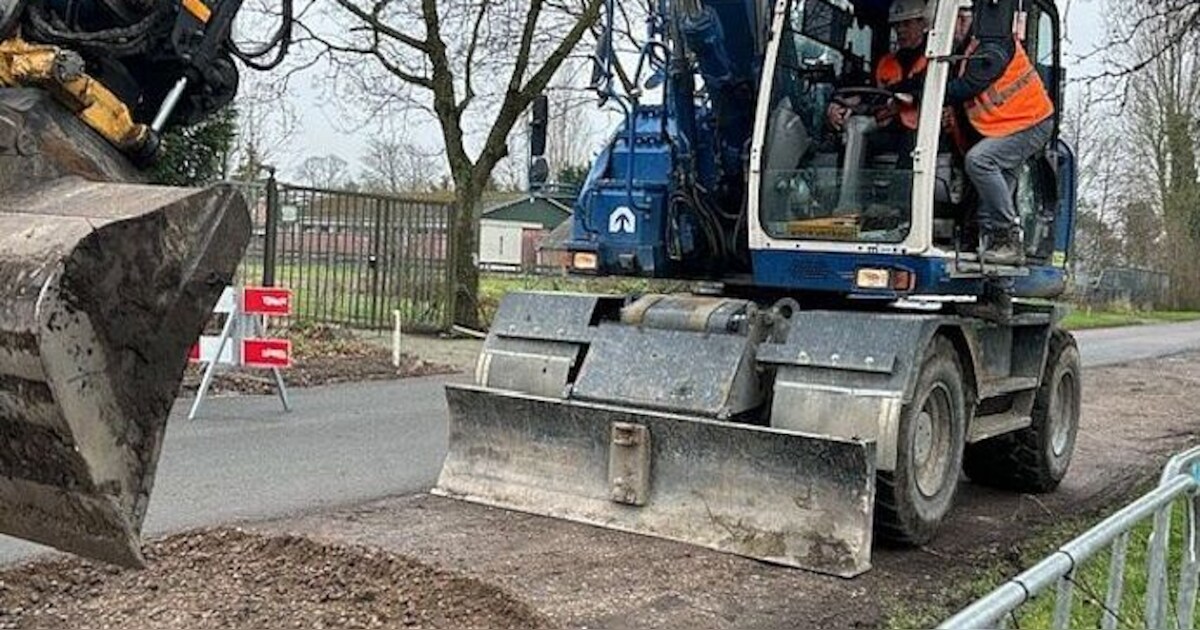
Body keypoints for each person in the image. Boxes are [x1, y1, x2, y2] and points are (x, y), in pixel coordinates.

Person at [945, 0, 1055, 266]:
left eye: (961, 17)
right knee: (989, 207)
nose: (956, 25)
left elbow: (966, 87)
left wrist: (922, 95)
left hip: (1030, 121)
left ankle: (1008, 236)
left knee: (980, 161)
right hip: (1009, 124)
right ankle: (996, 297)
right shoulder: (970, 50)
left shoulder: (993, 47)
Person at [827, 0, 930, 134]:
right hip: (884, 129)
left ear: (922, 24)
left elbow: (917, 89)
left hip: (922, 134)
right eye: (896, 25)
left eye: (906, 24)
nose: (900, 30)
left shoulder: (934, 59)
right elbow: (870, 92)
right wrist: (841, 103)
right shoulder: (885, 62)